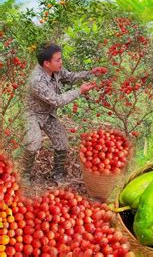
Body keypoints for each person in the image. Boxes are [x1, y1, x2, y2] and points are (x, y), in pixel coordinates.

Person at [21, 42, 107, 185]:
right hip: (32, 114)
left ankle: (57, 174)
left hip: (48, 114)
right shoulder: (36, 80)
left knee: (62, 144)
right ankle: (24, 175)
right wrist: (80, 91)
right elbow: (57, 100)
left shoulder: (56, 70)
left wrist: (91, 73)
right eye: (58, 60)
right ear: (47, 63)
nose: (61, 62)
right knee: (33, 144)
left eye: (61, 59)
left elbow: (70, 77)